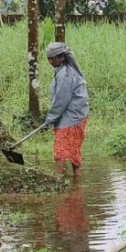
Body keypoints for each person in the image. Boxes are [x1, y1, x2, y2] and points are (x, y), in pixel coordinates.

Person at [45, 41, 90, 177]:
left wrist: (50, 119)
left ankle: (58, 180)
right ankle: (76, 183)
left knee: (60, 152)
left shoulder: (65, 74)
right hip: (76, 115)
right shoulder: (64, 70)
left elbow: (61, 100)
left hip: (72, 118)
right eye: (49, 58)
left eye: (53, 58)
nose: (50, 61)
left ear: (62, 58)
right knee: (73, 150)